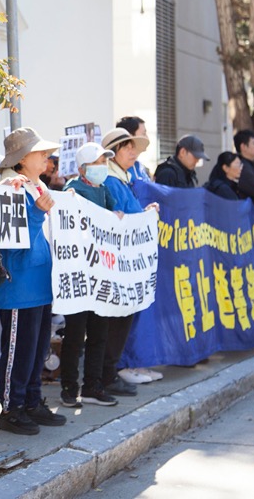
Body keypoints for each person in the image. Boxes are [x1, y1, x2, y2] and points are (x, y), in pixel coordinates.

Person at [0, 127, 68, 435]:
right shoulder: (8, 187)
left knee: (35, 349)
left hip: (39, 282)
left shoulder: (36, 186)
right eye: (41, 153)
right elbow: (11, 240)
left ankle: (31, 401)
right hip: (18, 282)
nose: (47, 158)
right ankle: (11, 408)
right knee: (18, 351)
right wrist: (36, 213)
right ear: (22, 159)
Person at [59, 142, 121, 409]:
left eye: (105, 161)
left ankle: (93, 385)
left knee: (99, 331)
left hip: (101, 272)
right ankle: (69, 387)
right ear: (84, 168)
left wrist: (117, 217)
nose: (103, 167)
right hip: (79, 273)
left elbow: (112, 218)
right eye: (98, 162)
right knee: (75, 333)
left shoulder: (104, 190)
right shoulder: (73, 190)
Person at [100, 128, 160, 393]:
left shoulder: (122, 180)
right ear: (113, 154)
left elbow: (130, 215)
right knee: (115, 322)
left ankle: (109, 374)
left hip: (126, 266)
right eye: (127, 148)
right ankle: (107, 375)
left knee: (121, 320)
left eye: (134, 148)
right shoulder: (111, 181)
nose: (134, 153)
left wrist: (144, 213)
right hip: (116, 267)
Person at [116, 116, 151, 182]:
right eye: (143, 134)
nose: (147, 138)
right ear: (129, 136)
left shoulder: (139, 166)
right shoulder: (120, 170)